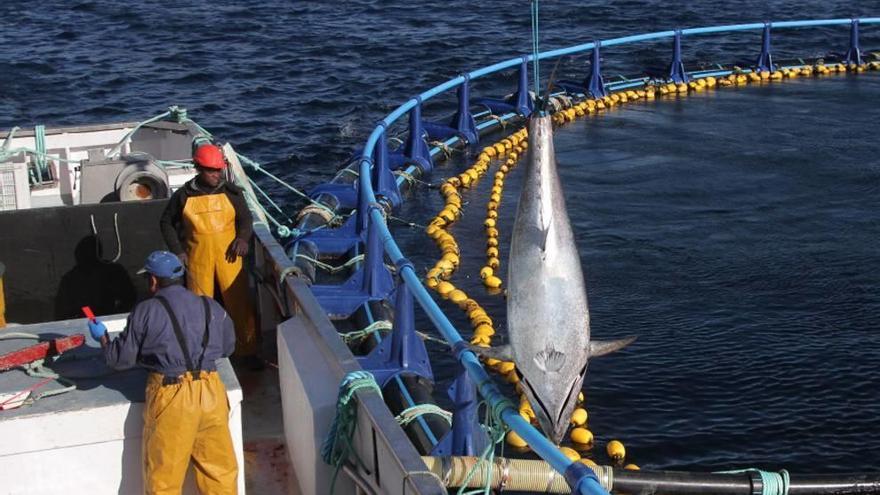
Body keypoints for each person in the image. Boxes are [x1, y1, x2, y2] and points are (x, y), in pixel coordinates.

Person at [88, 251, 238, 494]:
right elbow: (228, 347)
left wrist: (103, 338)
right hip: (212, 392)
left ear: (154, 280)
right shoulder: (209, 304)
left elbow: (120, 359)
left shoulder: (145, 310)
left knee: (164, 480)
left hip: (173, 398)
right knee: (220, 473)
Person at [159, 142, 260, 368]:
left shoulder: (232, 193)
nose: (217, 174)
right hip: (198, 260)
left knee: (240, 305)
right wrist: (178, 251)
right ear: (198, 169)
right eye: (211, 170)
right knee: (198, 309)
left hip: (229, 259)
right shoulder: (183, 196)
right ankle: (201, 356)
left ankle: (248, 352)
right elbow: (166, 223)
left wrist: (242, 238)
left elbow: (245, 219)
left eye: (219, 169)